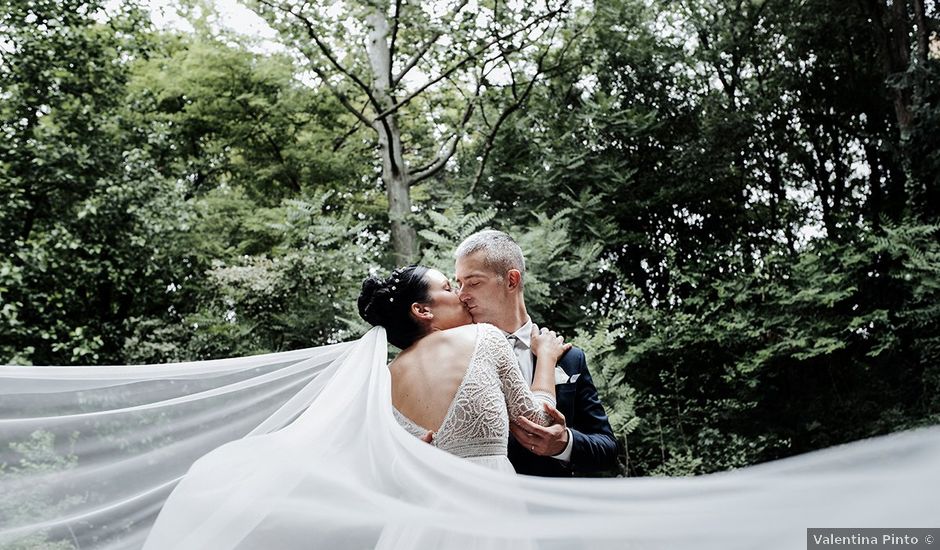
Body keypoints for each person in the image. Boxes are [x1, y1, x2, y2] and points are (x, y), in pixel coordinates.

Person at [357, 264, 571, 472]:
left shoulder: (383, 377)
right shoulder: (484, 336)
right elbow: (539, 423)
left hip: (422, 504)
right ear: (422, 310)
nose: (461, 295)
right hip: (493, 502)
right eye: (448, 288)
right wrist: (546, 357)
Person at [454, 230, 618, 476]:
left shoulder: (570, 358)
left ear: (511, 280)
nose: (462, 295)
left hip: (556, 510)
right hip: (484, 507)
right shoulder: (456, 357)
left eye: (474, 282)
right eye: (459, 284)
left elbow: (608, 450)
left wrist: (564, 444)